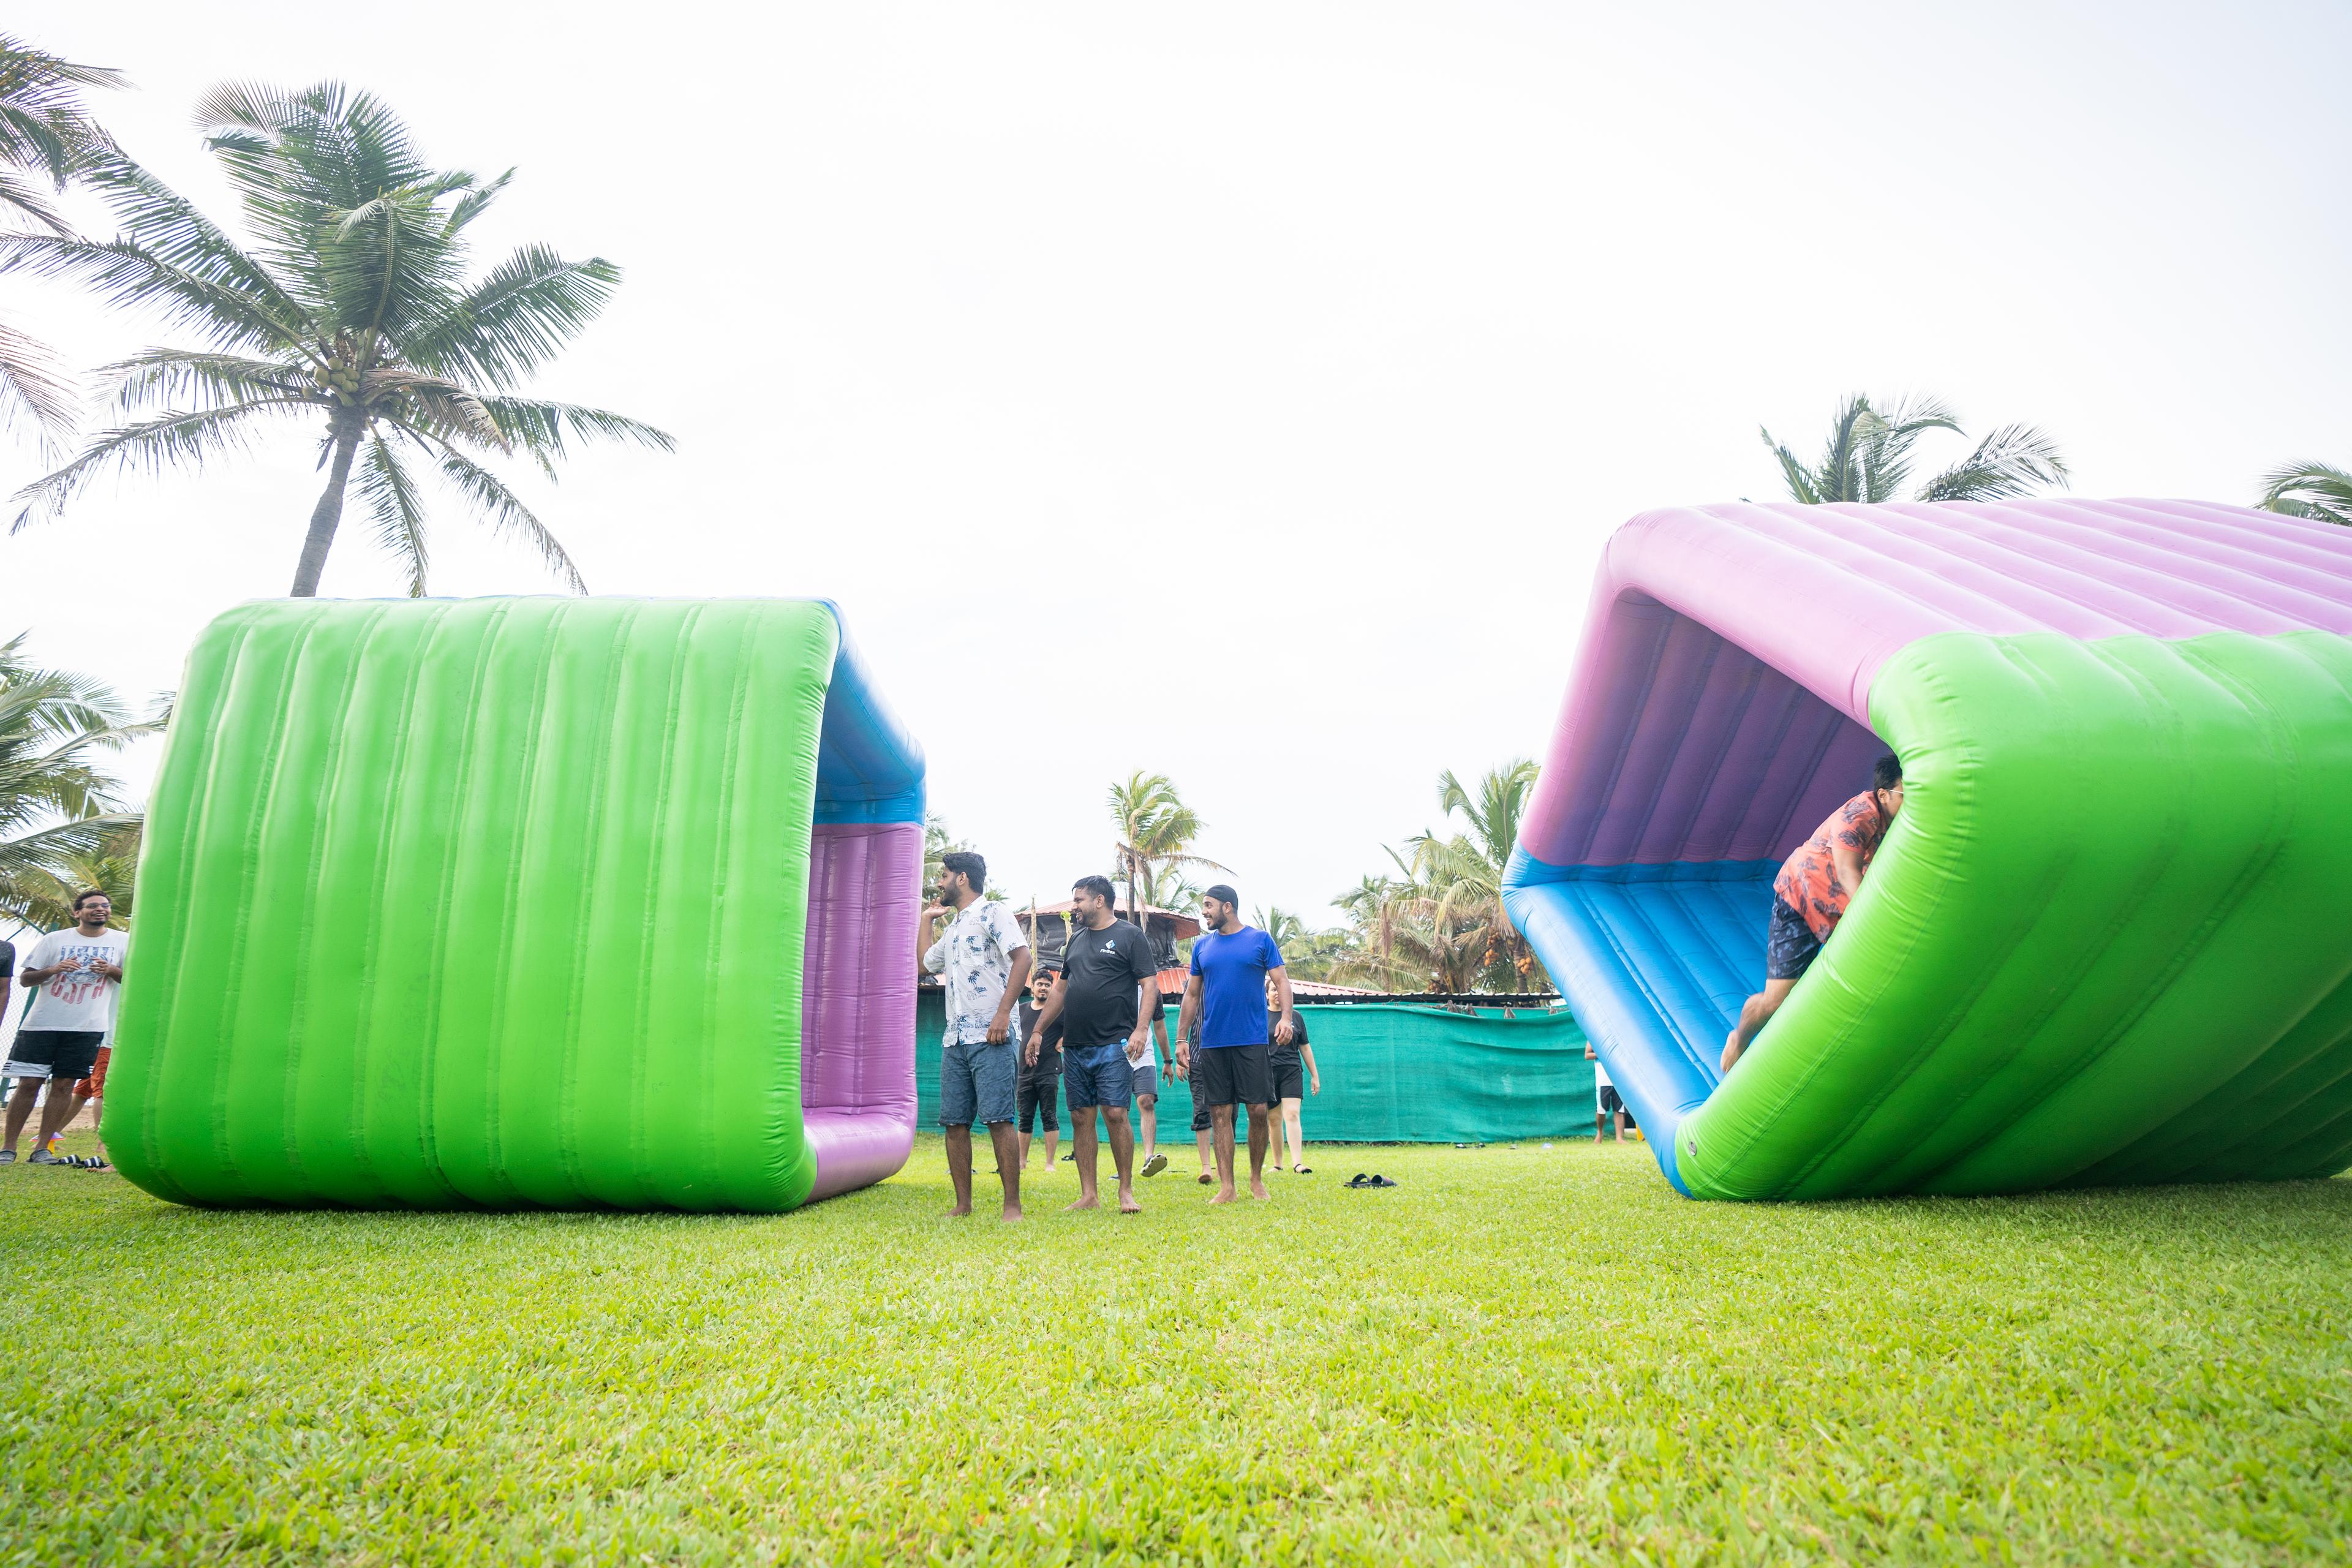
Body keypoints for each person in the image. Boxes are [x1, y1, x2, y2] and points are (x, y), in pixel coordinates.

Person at [1722, 753, 1905, 1074]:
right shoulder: (1859, 815)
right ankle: (1739, 1039)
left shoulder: (1904, 824)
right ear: (1884, 795)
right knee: (1776, 1000)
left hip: (1839, 912)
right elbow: (1849, 874)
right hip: (1801, 900)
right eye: (1909, 792)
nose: (1917, 800)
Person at [1023, 875, 1156, 1213]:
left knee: (1115, 1113)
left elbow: (1150, 986)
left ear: (1099, 900)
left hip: (1115, 1042)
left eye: (1079, 900)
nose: (1075, 906)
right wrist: (1038, 1031)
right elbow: (1060, 992)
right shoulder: (1077, 940)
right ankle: (1089, 1194)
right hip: (1076, 1045)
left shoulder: (1130, 936)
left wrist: (1142, 1030)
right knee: (1082, 1117)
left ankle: (1125, 1191)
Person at [920, 850, 1032, 1221]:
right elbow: (924, 963)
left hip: (993, 1035)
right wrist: (927, 920)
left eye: (944, 875)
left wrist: (1002, 1015)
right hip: (955, 1039)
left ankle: (1012, 1205)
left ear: (963, 879)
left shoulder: (993, 912)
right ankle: (963, 1204)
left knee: (999, 1119)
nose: (939, 882)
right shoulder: (952, 930)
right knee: (954, 1122)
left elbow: (1023, 958)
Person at [1175, 884, 1287, 1205]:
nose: (1204, 912)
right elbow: (1192, 995)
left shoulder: (1260, 940)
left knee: (1258, 1109)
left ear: (1228, 907)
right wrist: (1182, 1038)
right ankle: (1228, 1187)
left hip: (1251, 1040)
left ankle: (1256, 1180)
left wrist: (1286, 1019)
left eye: (1208, 906)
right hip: (1212, 1043)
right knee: (1220, 1112)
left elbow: (1281, 981)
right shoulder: (1202, 947)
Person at [2, 892, 127, 1166]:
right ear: (77, 912)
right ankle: (8, 1149)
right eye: (92, 906)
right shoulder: (54, 940)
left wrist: (110, 970)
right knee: (29, 1084)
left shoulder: (123, 941)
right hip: (41, 1025)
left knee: (63, 1086)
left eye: (105, 906)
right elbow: (25, 980)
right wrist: (54, 969)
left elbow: (132, 979)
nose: (100, 910)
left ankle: (42, 1150)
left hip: (88, 1028)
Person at [1266, 974, 1319, 1174]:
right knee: (1273, 1119)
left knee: (1292, 1114)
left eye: (1280, 990)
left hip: (1291, 1070)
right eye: (1273, 990)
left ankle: (1298, 1163)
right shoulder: (1259, 1016)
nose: (1277, 993)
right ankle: (1277, 1164)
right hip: (1267, 1073)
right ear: (1267, 995)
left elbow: (1305, 1048)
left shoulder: (1296, 1017)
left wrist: (1315, 1075)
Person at [1014, 968, 1063, 1172]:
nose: (1043, 988)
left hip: (1049, 1070)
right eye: (1040, 984)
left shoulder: (1058, 1009)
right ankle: (1021, 1162)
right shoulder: (1021, 1010)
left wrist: (1064, 1038)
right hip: (1023, 1073)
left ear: (1052, 989)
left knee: (1049, 1116)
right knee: (1024, 1117)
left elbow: (1076, 1025)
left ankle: (1050, 1163)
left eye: (1047, 985)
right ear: (1032, 987)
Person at [1131, 985, 1170, 1178]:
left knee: (1146, 1101)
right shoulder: (1114, 980)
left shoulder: (1153, 991)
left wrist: (1168, 1061)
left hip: (1144, 1057)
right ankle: (1122, 1165)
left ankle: (1149, 1157)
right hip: (1114, 1054)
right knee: (1116, 1111)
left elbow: (1160, 1026)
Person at [1587, 1042, 1629, 1142]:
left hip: (1618, 1079)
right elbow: (1587, 1055)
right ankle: (1600, 1133)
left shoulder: (1617, 1036)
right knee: (1601, 1109)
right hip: (1602, 1080)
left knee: (1619, 1110)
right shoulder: (1593, 1036)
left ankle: (1619, 1138)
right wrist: (1602, 1053)